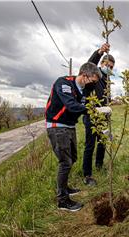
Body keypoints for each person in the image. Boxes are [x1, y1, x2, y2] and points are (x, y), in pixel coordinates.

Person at [46, 62, 103, 211]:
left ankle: (65, 188)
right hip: (57, 126)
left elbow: (84, 107)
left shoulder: (83, 90)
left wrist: (96, 108)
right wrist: (97, 111)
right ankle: (62, 200)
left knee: (72, 158)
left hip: (69, 126)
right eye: (93, 81)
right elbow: (72, 105)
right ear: (84, 76)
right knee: (65, 162)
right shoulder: (64, 83)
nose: (93, 85)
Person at [82, 43, 115, 186]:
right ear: (102, 64)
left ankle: (99, 165)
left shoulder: (107, 81)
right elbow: (89, 65)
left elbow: (106, 99)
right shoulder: (93, 77)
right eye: (108, 65)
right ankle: (87, 174)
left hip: (103, 117)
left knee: (102, 142)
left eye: (112, 67)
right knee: (90, 145)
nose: (110, 68)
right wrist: (100, 52)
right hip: (91, 116)